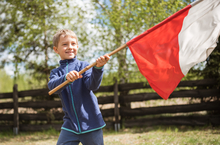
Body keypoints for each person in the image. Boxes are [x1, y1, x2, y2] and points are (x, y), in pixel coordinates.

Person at [48, 29, 110, 145]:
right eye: (65, 44)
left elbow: (93, 85)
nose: (70, 47)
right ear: (56, 49)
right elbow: (52, 87)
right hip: (70, 125)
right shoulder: (56, 72)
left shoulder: (84, 66)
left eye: (73, 44)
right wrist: (65, 78)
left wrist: (98, 69)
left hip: (91, 123)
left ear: (77, 46)